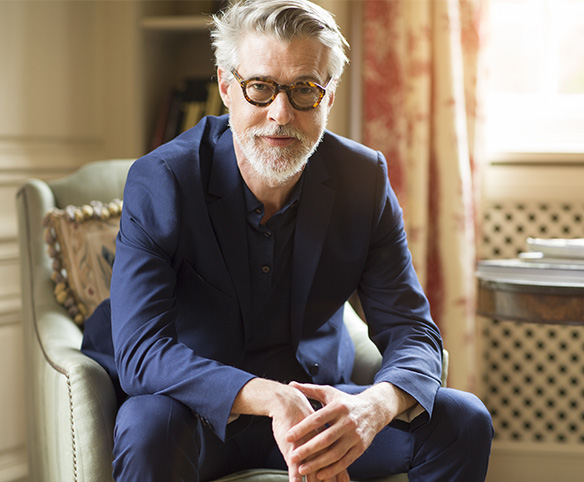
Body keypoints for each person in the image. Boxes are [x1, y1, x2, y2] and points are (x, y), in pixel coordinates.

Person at [81, 0, 493, 481]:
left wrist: (375, 406)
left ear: (329, 97)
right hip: (198, 414)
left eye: (304, 90)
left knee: (463, 419)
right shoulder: (164, 180)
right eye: (259, 87)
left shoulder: (363, 180)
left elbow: (413, 332)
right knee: (146, 423)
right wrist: (273, 396)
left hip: (315, 413)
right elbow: (142, 351)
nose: (281, 114)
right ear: (227, 87)